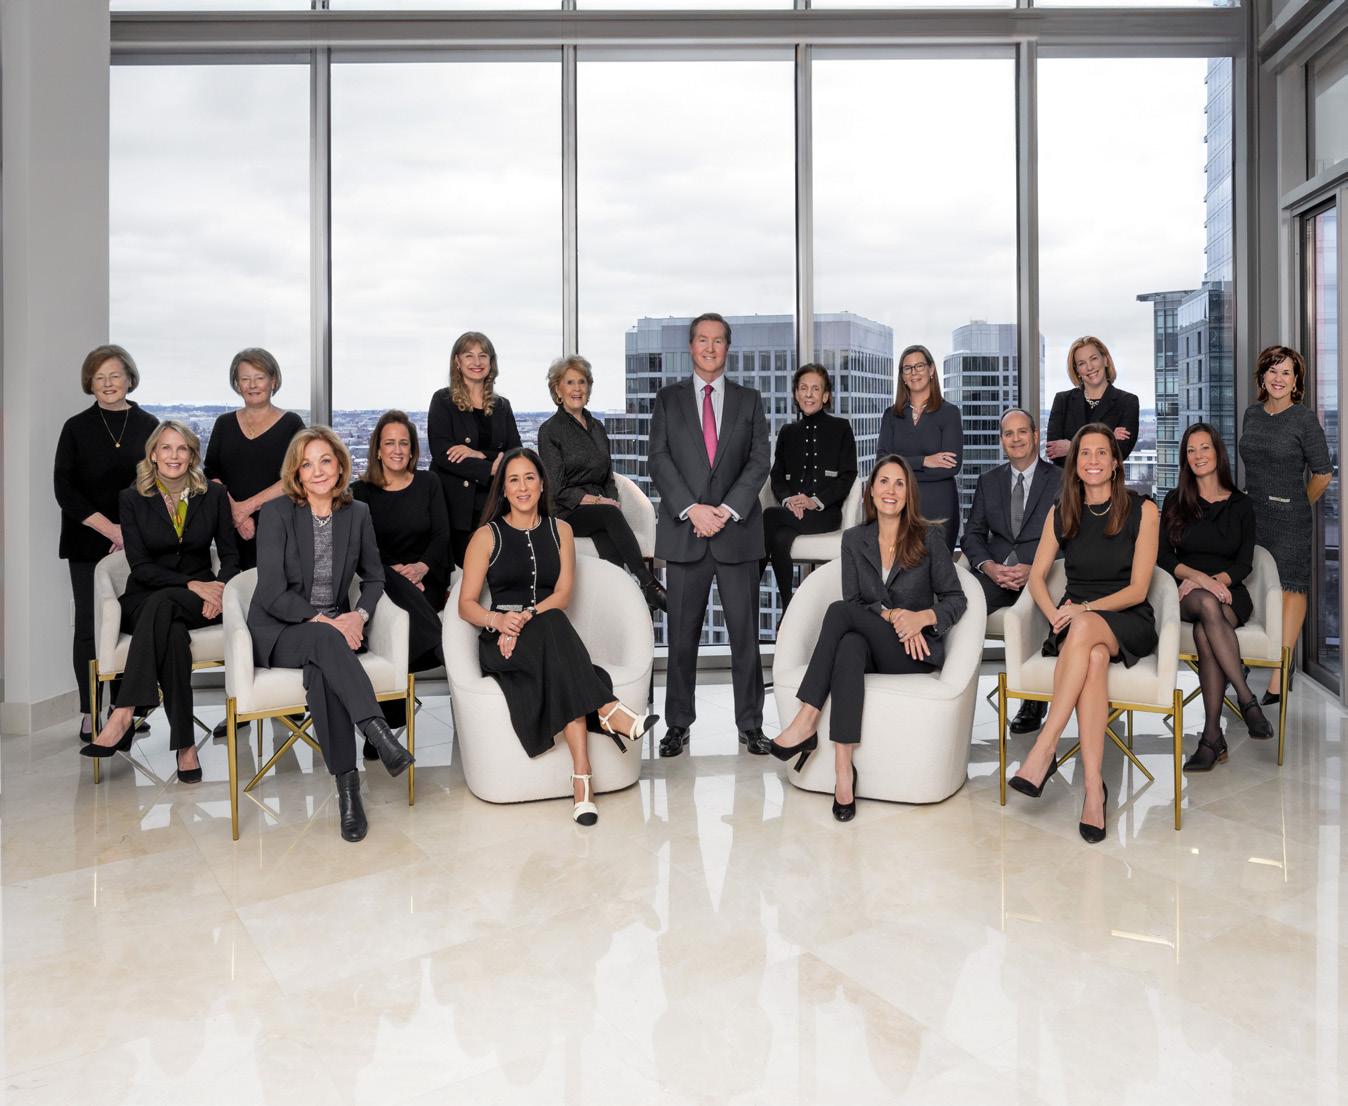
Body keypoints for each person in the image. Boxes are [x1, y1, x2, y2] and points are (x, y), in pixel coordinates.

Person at [457, 448, 658, 826]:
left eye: (529, 478)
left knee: (552, 627)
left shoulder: (561, 530)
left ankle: (582, 777)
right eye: (513, 480)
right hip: (502, 642)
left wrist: (526, 616)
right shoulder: (486, 536)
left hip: (545, 634)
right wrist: (500, 621)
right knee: (557, 637)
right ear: (503, 489)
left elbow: (562, 596)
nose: (522, 487)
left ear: (542, 484)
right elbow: (466, 605)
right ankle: (607, 713)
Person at [768, 455, 966, 822]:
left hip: (911, 653)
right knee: (849, 645)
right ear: (871, 491)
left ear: (909, 493)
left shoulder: (929, 536)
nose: (891, 490)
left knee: (838, 612)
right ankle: (844, 769)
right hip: (874, 643)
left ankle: (806, 719)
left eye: (899, 483)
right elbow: (857, 601)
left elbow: (956, 599)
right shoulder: (853, 539)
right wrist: (891, 614)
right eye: (883, 482)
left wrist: (922, 617)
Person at [248, 426, 415, 843]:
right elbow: (271, 592)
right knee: (326, 640)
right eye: (307, 465)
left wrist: (358, 615)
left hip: (333, 634)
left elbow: (374, 578)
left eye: (325, 461)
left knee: (324, 669)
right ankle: (378, 733)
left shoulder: (356, 513)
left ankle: (348, 790)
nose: (318, 471)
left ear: (340, 466)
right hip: (279, 630)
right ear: (297, 473)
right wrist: (328, 622)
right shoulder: (277, 513)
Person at [1009, 424, 1160, 845]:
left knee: (1085, 629)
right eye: (1084, 454)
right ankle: (1094, 789)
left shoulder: (1143, 510)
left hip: (1126, 618)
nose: (1092, 461)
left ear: (1115, 463)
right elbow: (1036, 577)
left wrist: (1084, 610)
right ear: (1074, 464)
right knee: (1092, 658)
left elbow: (1139, 590)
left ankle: (1045, 747)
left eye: (1101, 453)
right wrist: (1054, 614)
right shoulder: (1062, 512)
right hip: (1076, 624)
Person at [79, 421, 239, 781]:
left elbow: (231, 555)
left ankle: (124, 711)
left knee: (167, 610)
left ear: (192, 455)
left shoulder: (213, 495)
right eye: (166, 448)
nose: (174, 455)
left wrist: (219, 588)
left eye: (182, 448)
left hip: (198, 600)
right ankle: (185, 747)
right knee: (172, 634)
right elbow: (141, 567)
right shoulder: (132, 498)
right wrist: (193, 584)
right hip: (145, 597)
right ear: (153, 454)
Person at [649, 312, 771, 758]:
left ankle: (751, 725)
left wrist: (726, 510)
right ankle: (677, 725)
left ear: (727, 348)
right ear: (691, 346)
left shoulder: (749, 400)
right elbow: (659, 459)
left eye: (718, 340)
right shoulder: (668, 399)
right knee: (682, 638)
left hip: (736, 532)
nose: (710, 347)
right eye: (702, 339)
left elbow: (759, 459)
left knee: (745, 637)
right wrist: (693, 509)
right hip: (686, 532)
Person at [54, 344, 159, 742]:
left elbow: (155, 483)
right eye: (99, 378)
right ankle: (90, 710)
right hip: (87, 540)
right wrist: (110, 530)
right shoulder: (75, 427)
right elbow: (64, 489)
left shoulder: (149, 425)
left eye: (115, 375)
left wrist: (127, 532)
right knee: (89, 626)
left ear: (129, 378)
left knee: (133, 624)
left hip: (137, 543)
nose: (108, 383)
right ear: (90, 383)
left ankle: (124, 709)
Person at [1160, 423, 1272, 771]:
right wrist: (1197, 579)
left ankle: (1211, 738)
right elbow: (1162, 558)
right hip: (1187, 592)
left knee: (1204, 630)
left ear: (1217, 452)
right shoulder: (1175, 501)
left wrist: (1214, 582)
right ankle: (1246, 698)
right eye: (1191, 450)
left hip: (1229, 592)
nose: (1198, 456)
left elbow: (1244, 563)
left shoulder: (1241, 504)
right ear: (1185, 458)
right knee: (1207, 604)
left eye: (1204, 448)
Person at [1237, 345, 1333, 704]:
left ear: (1296, 382)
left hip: (1290, 519)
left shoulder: (1304, 420)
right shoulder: (1252, 414)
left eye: (1286, 372)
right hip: (1253, 515)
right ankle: (1242, 657)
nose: (1278, 378)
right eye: (1273, 370)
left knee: (1291, 588)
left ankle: (1281, 670)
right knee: (1252, 585)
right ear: (1263, 376)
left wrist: (1297, 504)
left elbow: (1323, 474)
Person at [536, 355, 667, 613]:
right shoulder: (550, 430)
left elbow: (607, 477)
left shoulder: (597, 427)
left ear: (589, 388)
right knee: (607, 515)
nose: (577, 389)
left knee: (608, 531)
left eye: (582, 382)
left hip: (599, 511)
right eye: (570, 383)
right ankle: (648, 584)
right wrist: (600, 502)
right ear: (558, 390)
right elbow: (557, 488)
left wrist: (611, 500)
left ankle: (617, 601)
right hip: (566, 511)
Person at [961, 406, 1063, 734]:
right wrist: (989, 567)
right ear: (1002, 440)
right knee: (961, 605)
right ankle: (954, 686)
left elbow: (1072, 536)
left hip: (1042, 574)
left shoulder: (1061, 480)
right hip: (998, 575)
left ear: (1035, 435)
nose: (1016, 439)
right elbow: (972, 534)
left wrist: (1036, 568)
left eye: (1022, 432)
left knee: (1033, 612)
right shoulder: (988, 481)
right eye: (1009, 434)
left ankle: (1033, 701)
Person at [352, 410, 451, 737]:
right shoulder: (360, 492)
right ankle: (441, 647)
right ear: (377, 450)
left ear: (412, 450)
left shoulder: (429, 483)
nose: (397, 450)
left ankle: (382, 725)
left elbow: (441, 535)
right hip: (381, 583)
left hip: (426, 580)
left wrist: (421, 568)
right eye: (389, 443)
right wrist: (392, 574)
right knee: (388, 586)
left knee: (400, 608)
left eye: (404, 443)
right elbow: (360, 550)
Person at [761, 363, 858, 608]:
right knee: (779, 539)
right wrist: (789, 500)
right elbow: (777, 476)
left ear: (825, 396)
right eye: (803, 388)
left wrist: (814, 501)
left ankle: (750, 590)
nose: (809, 394)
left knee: (769, 516)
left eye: (816, 389)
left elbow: (848, 476)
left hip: (825, 514)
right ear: (796, 394)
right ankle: (788, 608)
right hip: (791, 513)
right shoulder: (787, 431)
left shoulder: (841, 428)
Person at [204, 348, 305, 570]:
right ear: (237, 384)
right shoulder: (224, 424)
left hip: (279, 527)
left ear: (273, 381)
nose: (252, 385)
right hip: (231, 527)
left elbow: (298, 475)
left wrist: (247, 508)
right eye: (245, 379)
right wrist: (236, 513)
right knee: (233, 586)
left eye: (259, 378)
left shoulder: (292, 424)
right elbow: (211, 472)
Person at [428, 331, 522, 567]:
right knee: (469, 570)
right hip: (455, 505)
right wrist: (490, 468)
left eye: (483, 355)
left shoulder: (502, 406)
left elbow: (515, 452)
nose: (477, 362)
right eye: (469, 355)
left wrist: (479, 454)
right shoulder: (443, 400)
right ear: (457, 361)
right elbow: (442, 452)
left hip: (494, 502)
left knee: (501, 567)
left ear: (491, 362)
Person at [877, 344, 962, 551]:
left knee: (938, 567)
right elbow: (881, 462)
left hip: (938, 507)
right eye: (907, 368)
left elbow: (951, 467)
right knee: (899, 567)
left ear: (931, 370)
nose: (914, 372)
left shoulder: (949, 413)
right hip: (899, 505)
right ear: (903, 376)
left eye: (919, 366)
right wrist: (925, 461)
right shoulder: (891, 415)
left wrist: (900, 470)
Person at [1045, 336, 1140, 466]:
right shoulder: (1062, 400)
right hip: (1068, 479)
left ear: (1105, 360)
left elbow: (1120, 452)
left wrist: (1071, 446)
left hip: (1105, 479)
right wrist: (1108, 440)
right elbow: (1054, 452)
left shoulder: (1127, 402)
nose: (1089, 367)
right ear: (1077, 371)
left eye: (1094, 358)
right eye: (1081, 363)